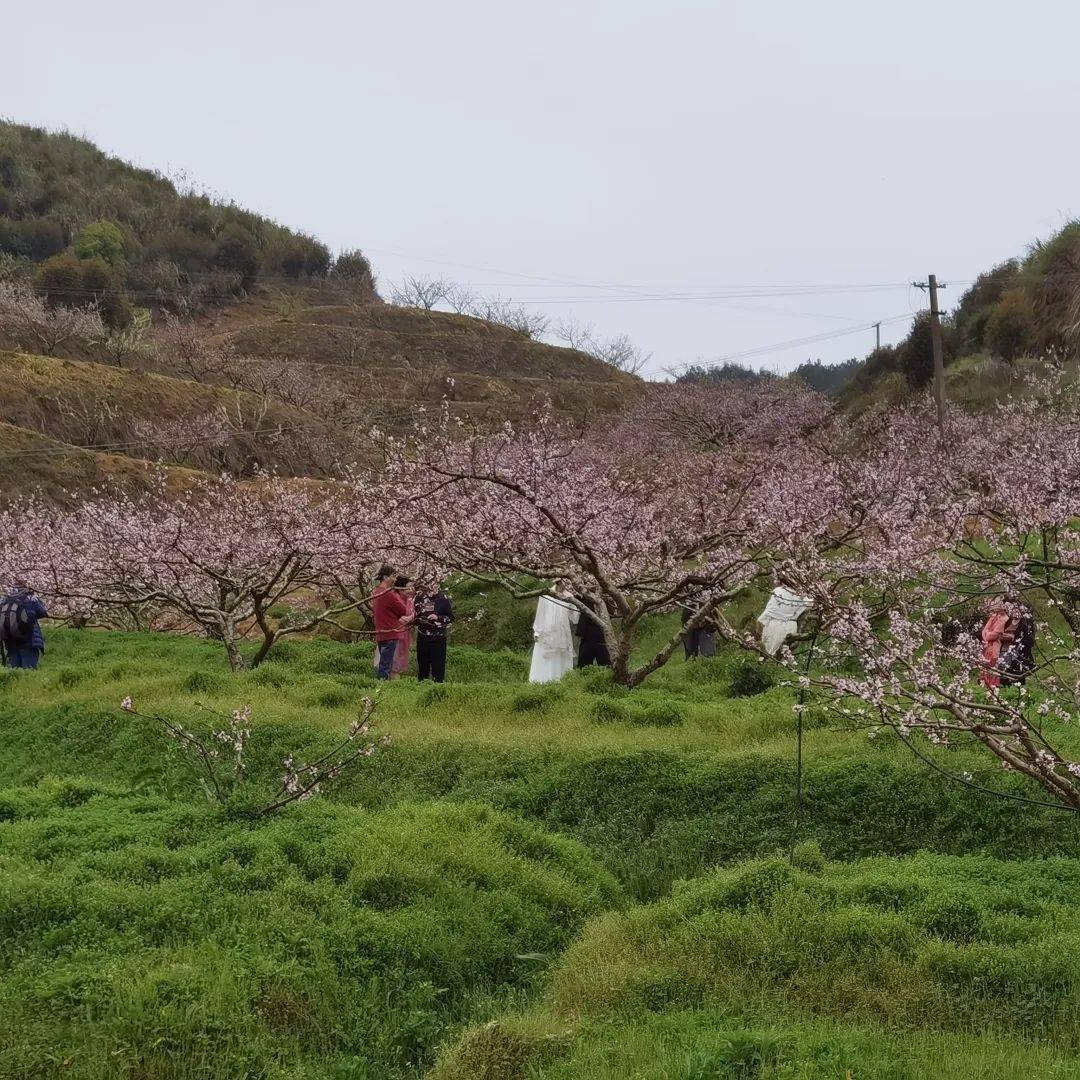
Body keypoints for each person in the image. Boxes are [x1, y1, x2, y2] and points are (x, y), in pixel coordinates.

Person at [528, 594, 578, 683]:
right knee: (546, 657)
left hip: (562, 633)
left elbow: (575, 619)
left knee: (560, 657)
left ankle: (560, 681)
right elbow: (540, 614)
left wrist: (571, 606)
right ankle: (544, 681)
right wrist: (537, 631)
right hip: (547, 633)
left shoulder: (568, 596)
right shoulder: (545, 596)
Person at [371, 565, 408, 680]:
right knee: (386, 666)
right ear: (386, 577)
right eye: (393, 576)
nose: (395, 579)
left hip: (381, 633)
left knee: (383, 663)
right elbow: (403, 610)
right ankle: (381, 690)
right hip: (390, 632)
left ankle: (381, 687)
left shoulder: (376, 591)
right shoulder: (387, 594)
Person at [0, 583, 48, 670]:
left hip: (10, 642)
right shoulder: (29, 599)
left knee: (13, 672)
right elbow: (43, 612)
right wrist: (35, 598)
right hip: (28, 640)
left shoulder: (4, 600)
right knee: (29, 671)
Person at [414, 582, 454, 682]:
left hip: (438, 638)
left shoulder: (443, 598)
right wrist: (419, 619)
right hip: (423, 637)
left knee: (438, 669)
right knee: (423, 668)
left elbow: (450, 617)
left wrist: (438, 618)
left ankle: (437, 689)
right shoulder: (419, 598)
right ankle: (421, 688)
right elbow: (414, 615)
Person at [757, 586, 812, 656]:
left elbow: (767, 614)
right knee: (784, 656)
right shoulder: (803, 596)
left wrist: (758, 636)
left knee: (768, 655)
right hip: (791, 628)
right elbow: (809, 605)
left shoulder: (778, 591)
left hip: (774, 627)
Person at [979, 599, 1011, 689]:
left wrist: (988, 635)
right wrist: (986, 636)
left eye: (997, 604)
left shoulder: (1004, 619)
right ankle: (984, 684)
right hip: (987, 644)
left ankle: (992, 685)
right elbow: (985, 630)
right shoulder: (994, 616)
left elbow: (994, 635)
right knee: (985, 663)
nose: (995, 606)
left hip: (995, 645)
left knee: (992, 663)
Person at [576, 595, 611, 668]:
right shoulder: (583, 592)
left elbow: (611, 611)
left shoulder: (604, 595)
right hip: (587, 632)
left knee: (604, 661)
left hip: (601, 631)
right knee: (584, 662)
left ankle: (607, 675)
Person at [392, 576, 416, 677]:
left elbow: (414, 614)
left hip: (405, 634)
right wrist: (405, 619)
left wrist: (410, 618)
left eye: (411, 588)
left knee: (402, 659)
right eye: (408, 588)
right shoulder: (393, 598)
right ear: (400, 589)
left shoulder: (410, 600)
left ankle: (399, 684)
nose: (410, 590)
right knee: (393, 660)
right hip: (393, 634)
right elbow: (392, 616)